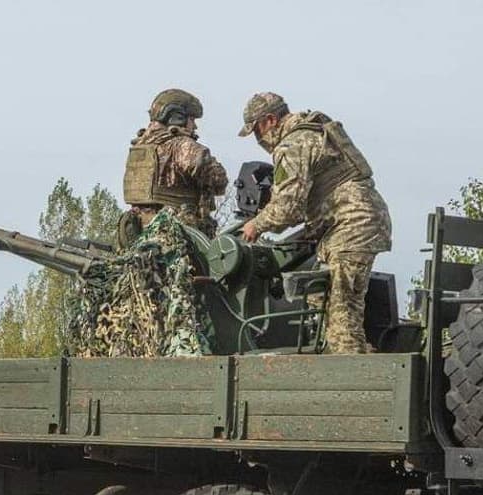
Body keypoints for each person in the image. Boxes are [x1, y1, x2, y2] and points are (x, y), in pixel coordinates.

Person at [238, 92, 391, 354]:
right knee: (321, 300)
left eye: (256, 131)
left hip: (351, 226)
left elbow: (288, 208)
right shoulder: (313, 131)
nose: (259, 140)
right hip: (350, 223)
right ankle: (354, 361)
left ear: (270, 120)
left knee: (342, 313)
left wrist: (256, 225)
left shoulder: (292, 144)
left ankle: (352, 382)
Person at [122, 89, 228, 239]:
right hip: (175, 237)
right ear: (177, 117)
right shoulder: (181, 145)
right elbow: (218, 180)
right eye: (192, 120)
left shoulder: (140, 147)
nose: (195, 127)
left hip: (140, 233)